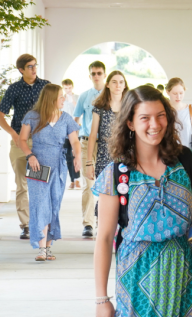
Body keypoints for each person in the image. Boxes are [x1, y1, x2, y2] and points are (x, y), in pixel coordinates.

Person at [93, 86, 192, 317]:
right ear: (130, 123)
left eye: (161, 115)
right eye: (145, 118)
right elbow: (105, 238)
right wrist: (101, 299)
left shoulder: (186, 159)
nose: (155, 124)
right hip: (136, 284)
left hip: (187, 279)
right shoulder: (117, 173)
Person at [17, 84, 81, 261]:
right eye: (61, 97)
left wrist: (78, 156)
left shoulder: (66, 118)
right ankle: (42, 250)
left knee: (54, 205)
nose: (64, 99)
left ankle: (47, 248)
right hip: (38, 166)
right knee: (40, 205)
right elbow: (22, 140)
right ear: (51, 99)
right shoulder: (32, 117)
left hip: (59, 167)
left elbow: (75, 141)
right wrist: (29, 155)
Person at [0, 54, 50, 240]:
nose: (34, 69)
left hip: (40, 143)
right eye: (29, 66)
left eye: (35, 65)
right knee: (22, 185)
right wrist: (14, 134)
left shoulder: (46, 86)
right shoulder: (14, 89)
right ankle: (26, 225)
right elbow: (0, 117)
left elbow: (56, 111)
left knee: (39, 183)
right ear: (21, 70)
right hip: (20, 143)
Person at [85, 70, 129, 221]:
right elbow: (93, 136)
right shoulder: (100, 106)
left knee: (124, 193)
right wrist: (89, 162)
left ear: (125, 85)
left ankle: (123, 228)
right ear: (108, 85)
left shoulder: (130, 106)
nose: (118, 85)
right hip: (104, 156)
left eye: (121, 82)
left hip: (127, 156)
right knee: (106, 194)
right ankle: (103, 226)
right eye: (114, 82)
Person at [73, 61, 106, 237]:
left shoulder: (111, 96)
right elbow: (76, 119)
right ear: (90, 76)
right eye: (93, 73)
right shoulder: (84, 96)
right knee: (88, 184)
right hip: (86, 142)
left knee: (107, 184)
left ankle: (105, 221)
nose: (96, 76)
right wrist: (75, 145)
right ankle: (88, 224)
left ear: (104, 75)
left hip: (106, 144)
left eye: (99, 73)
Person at [61, 79, 81, 190]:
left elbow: (78, 111)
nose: (68, 90)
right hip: (64, 131)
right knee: (68, 157)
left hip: (75, 130)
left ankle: (77, 180)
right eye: (66, 88)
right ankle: (72, 180)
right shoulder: (61, 99)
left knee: (75, 155)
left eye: (69, 88)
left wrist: (72, 99)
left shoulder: (77, 98)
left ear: (72, 87)